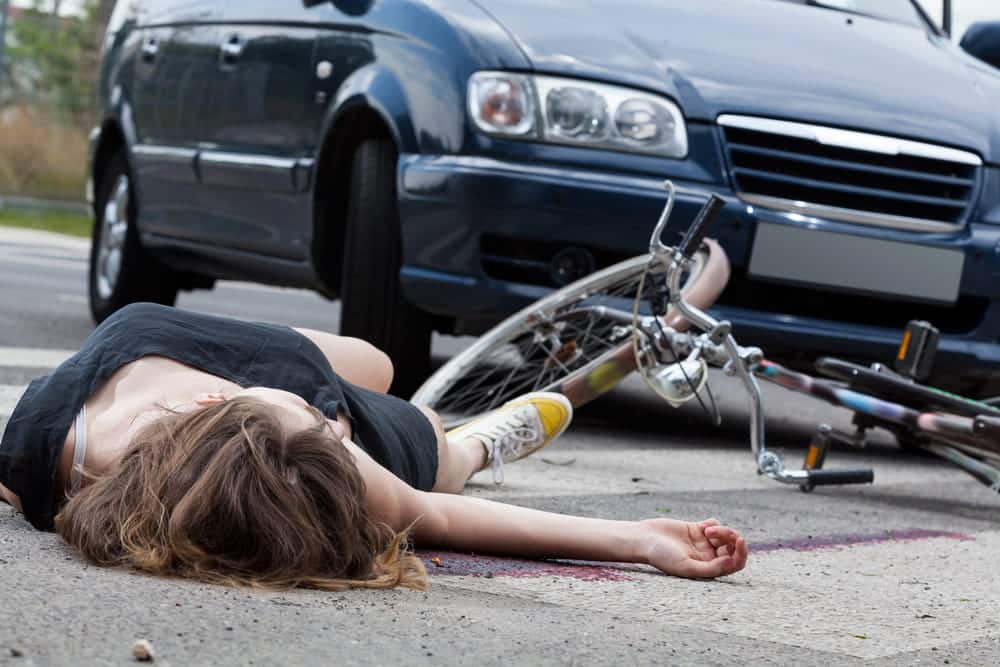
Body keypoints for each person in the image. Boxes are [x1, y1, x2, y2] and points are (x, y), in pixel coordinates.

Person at [0, 303, 748, 591]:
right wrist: (643, 540)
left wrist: (305, 405)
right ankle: (481, 445)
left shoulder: (31, 446)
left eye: (320, 418)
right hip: (296, 459)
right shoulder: (324, 468)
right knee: (431, 448)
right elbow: (439, 518)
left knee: (376, 365)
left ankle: (326, 404)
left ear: (211, 398)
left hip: (172, 364)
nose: (334, 423)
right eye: (325, 422)